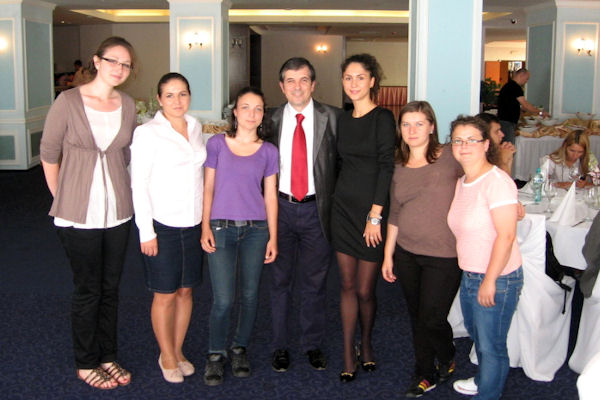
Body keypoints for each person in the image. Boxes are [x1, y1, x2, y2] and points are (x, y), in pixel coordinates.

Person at [40, 36, 137, 390]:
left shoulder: (127, 104)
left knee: (110, 288)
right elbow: (48, 152)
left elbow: (126, 155)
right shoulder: (68, 101)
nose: (119, 69)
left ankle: (107, 355)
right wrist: (62, 195)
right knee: (88, 289)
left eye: (126, 64)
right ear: (96, 61)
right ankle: (85, 361)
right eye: (113, 61)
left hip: (118, 213)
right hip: (78, 214)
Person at [381, 101, 463, 397]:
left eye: (419, 123)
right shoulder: (398, 165)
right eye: (406, 124)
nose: (412, 130)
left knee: (432, 318)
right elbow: (395, 213)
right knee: (417, 316)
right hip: (406, 252)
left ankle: (447, 353)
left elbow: (482, 175)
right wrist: (388, 255)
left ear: (431, 127)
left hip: (445, 254)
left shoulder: (451, 155)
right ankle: (424, 372)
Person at [130, 73, 205, 383]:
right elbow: (138, 184)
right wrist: (146, 231)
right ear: (159, 99)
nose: (177, 100)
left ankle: (177, 349)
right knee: (165, 294)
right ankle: (167, 355)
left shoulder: (196, 126)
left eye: (183, 94)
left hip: (193, 223)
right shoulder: (147, 133)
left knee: (186, 291)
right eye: (170, 95)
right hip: (162, 224)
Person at [201, 86, 279, 386]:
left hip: (256, 231)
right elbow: (208, 187)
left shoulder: (269, 151)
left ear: (263, 114)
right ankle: (215, 353)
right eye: (245, 107)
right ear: (235, 112)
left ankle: (239, 348)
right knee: (223, 299)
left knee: (249, 295)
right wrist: (205, 226)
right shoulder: (217, 144)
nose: (251, 114)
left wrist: (273, 236)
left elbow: (270, 195)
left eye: (258, 108)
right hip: (220, 228)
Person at [268, 57, 341, 373]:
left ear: (313, 84)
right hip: (279, 210)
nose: (297, 87)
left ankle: (312, 344)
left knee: (315, 282)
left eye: (303, 80)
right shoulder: (269, 119)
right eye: (290, 80)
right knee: (279, 281)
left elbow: (343, 165)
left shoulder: (333, 118)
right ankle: (280, 345)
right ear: (281, 86)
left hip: (317, 211)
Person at [447, 116, 523, 400]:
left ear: (486, 144)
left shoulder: (497, 182)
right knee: (479, 337)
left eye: (472, 140)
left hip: (498, 278)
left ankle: (488, 394)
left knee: (492, 346)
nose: (464, 146)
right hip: (470, 274)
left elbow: (506, 236)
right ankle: (483, 380)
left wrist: (489, 281)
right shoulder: (463, 182)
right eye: (458, 140)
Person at [332, 53, 396, 382]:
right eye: (348, 78)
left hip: (372, 213)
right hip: (342, 210)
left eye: (360, 77)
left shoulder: (383, 118)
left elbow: (387, 167)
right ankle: (347, 351)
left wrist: (375, 215)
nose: (353, 83)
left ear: (372, 81)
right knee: (345, 285)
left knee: (365, 290)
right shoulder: (342, 119)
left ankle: (366, 343)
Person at [497, 68, 549, 144]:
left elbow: (515, 105)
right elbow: (525, 104)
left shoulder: (508, 85)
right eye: (526, 79)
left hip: (505, 121)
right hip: (507, 122)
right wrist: (540, 112)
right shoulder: (515, 87)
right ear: (521, 75)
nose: (526, 81)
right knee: (508, 145)